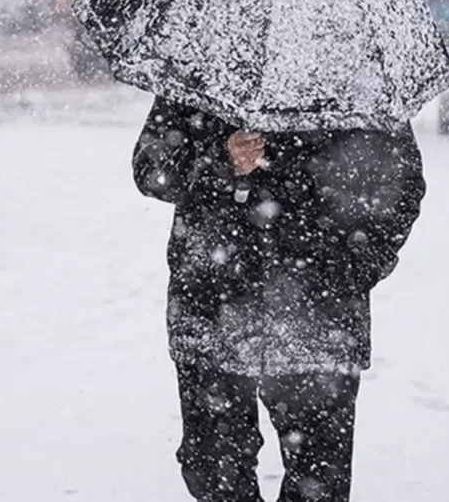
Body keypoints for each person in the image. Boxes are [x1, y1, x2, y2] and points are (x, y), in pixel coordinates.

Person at [133, 97, 426, 502]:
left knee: (320, 483)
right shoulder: (206, 66)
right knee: (213, 469)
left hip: (319, 318)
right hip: (213, 307)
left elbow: (402, 184)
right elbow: (151, 169)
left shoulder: (354, 76)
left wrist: (353, 269)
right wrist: (220, 158)